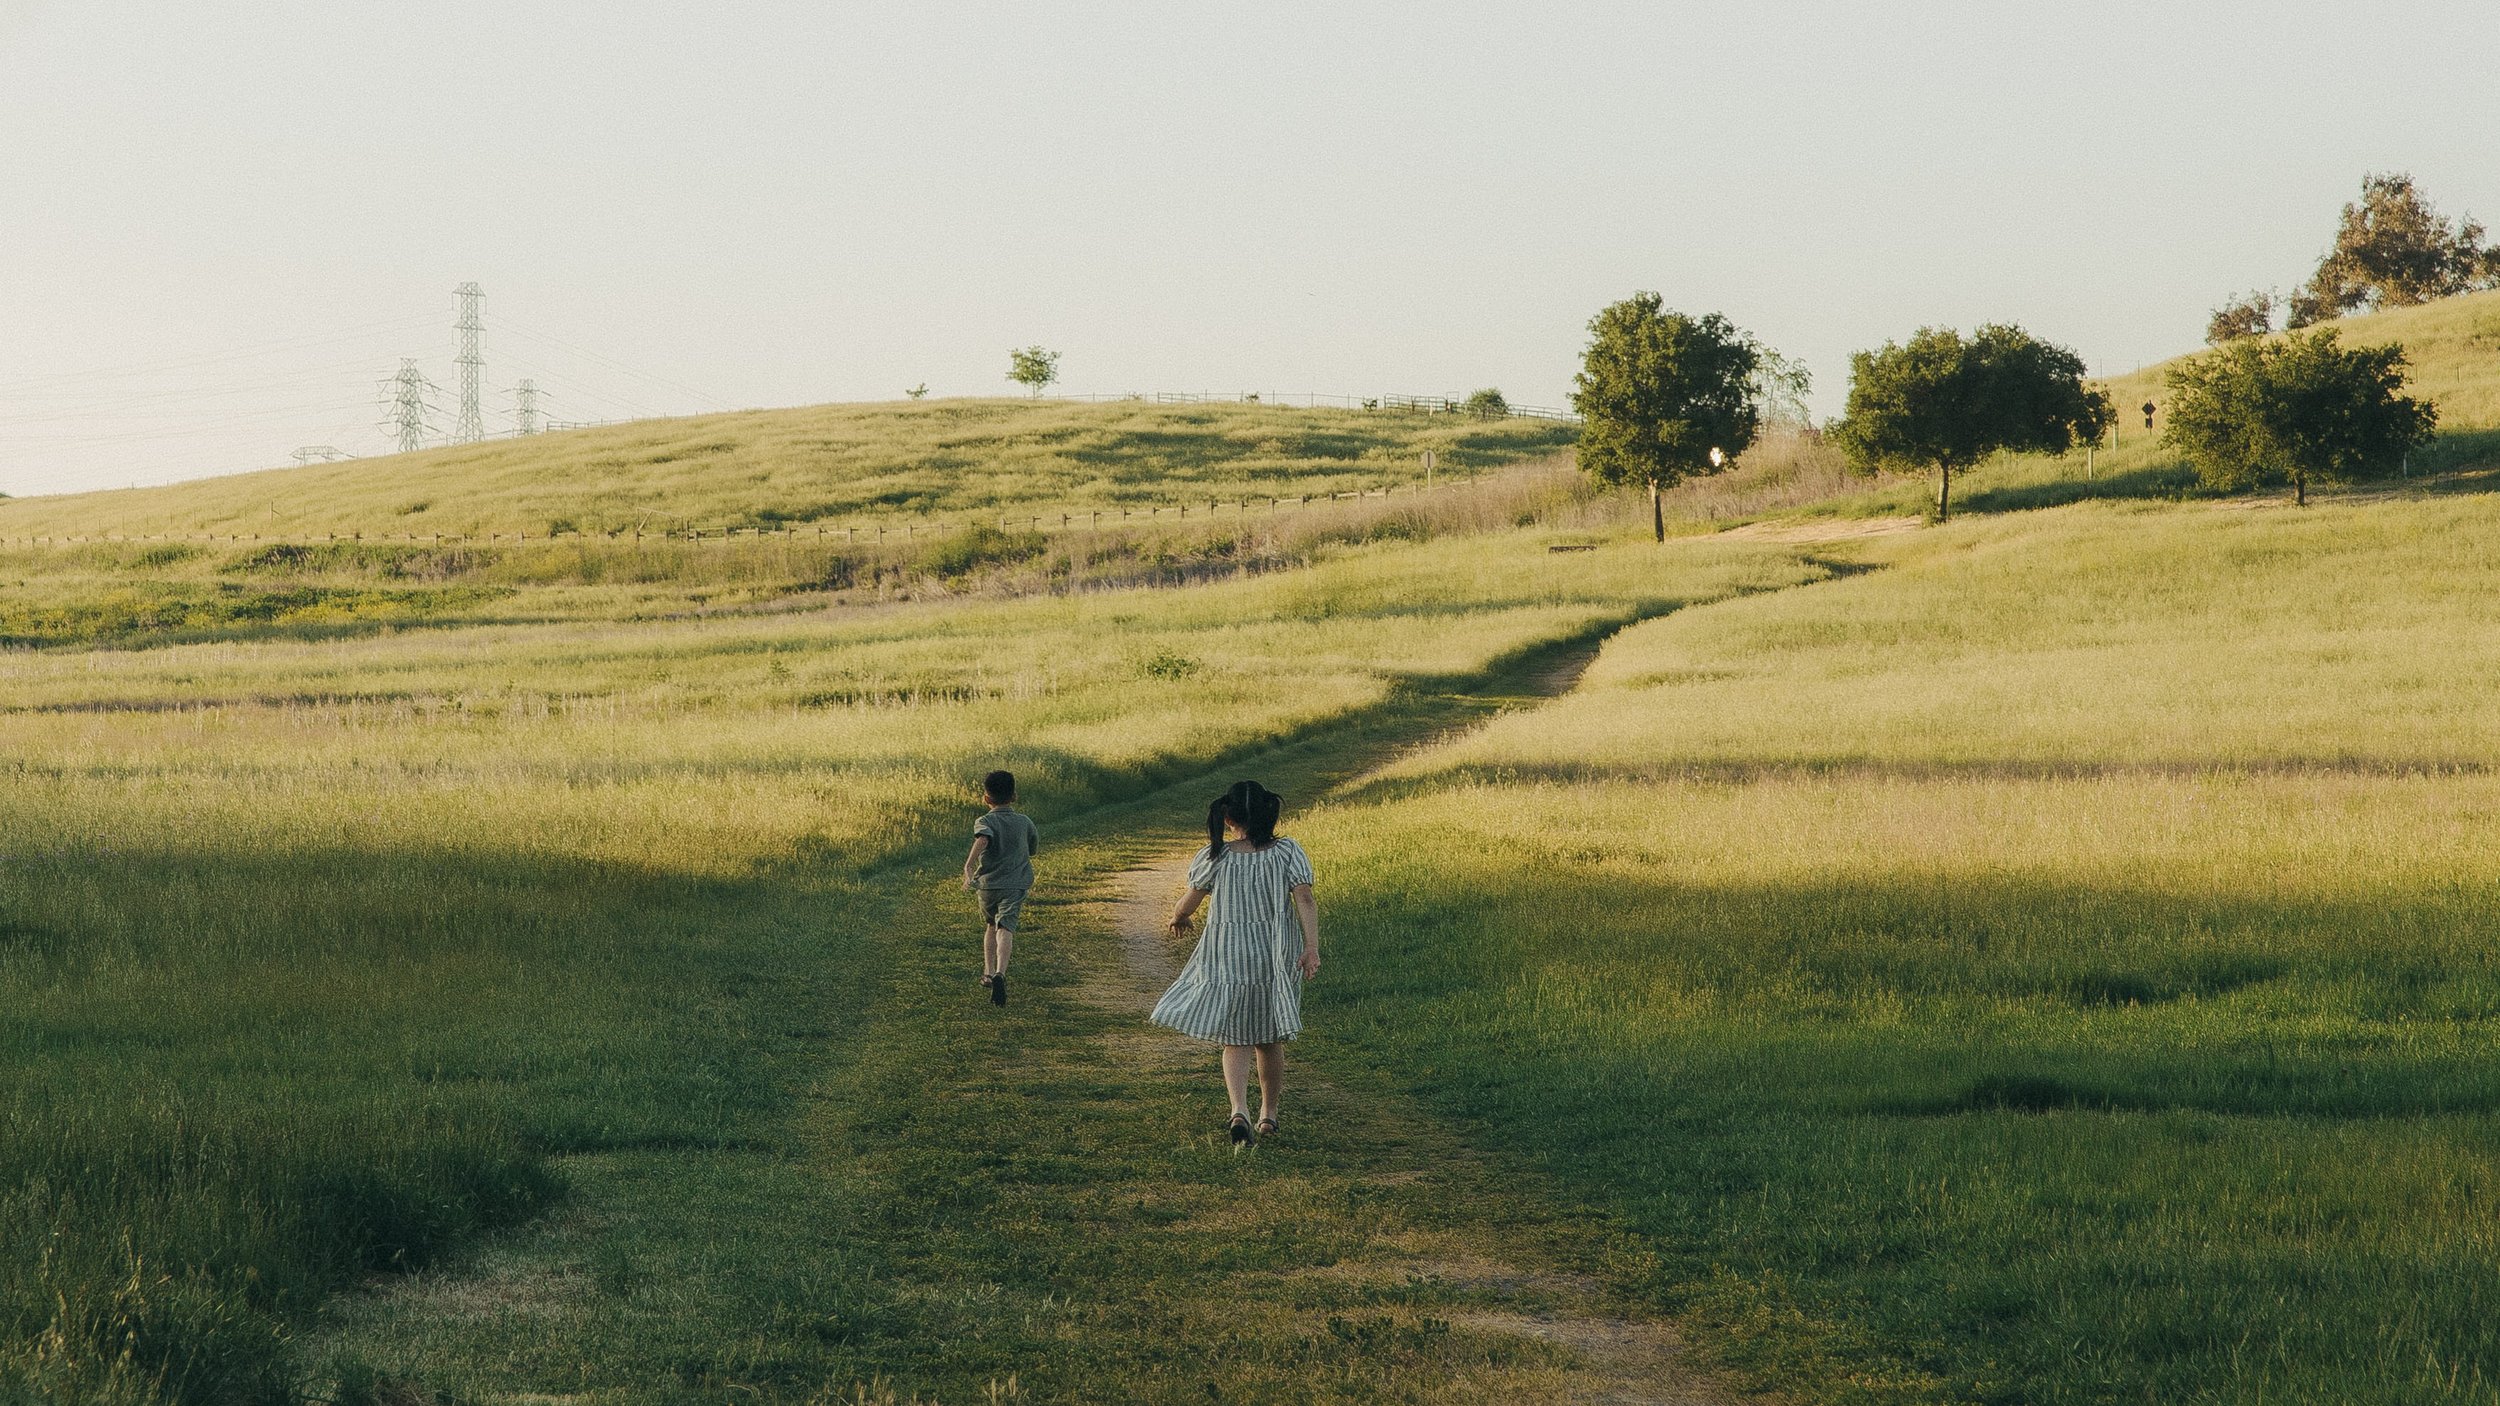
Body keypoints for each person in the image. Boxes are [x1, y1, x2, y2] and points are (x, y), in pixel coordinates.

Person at [1150, 779, 1320, 1148]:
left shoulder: (1216, 856)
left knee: (1235, 1037)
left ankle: (1238, 1109)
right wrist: (1311, 947)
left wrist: (1178, 918)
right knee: (1270, 1038)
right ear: (1268, 813)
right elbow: (1304, 898)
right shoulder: (1288, 852)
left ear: (1228, 819)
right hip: (1275, 955)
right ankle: (1268, 1116)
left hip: (1229, 955)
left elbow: (1188, 901)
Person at [962, 769, 1038, 1006]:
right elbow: (1032, 849)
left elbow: (982, 839)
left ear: (986, 798)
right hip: (1014, 885)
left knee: (990, 925)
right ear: (1014, 796)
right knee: (1005, 927)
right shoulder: (1025, 822)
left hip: (988, 886)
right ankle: (1000, 974)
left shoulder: (984, 821)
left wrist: (969, 866)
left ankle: (987, 971)